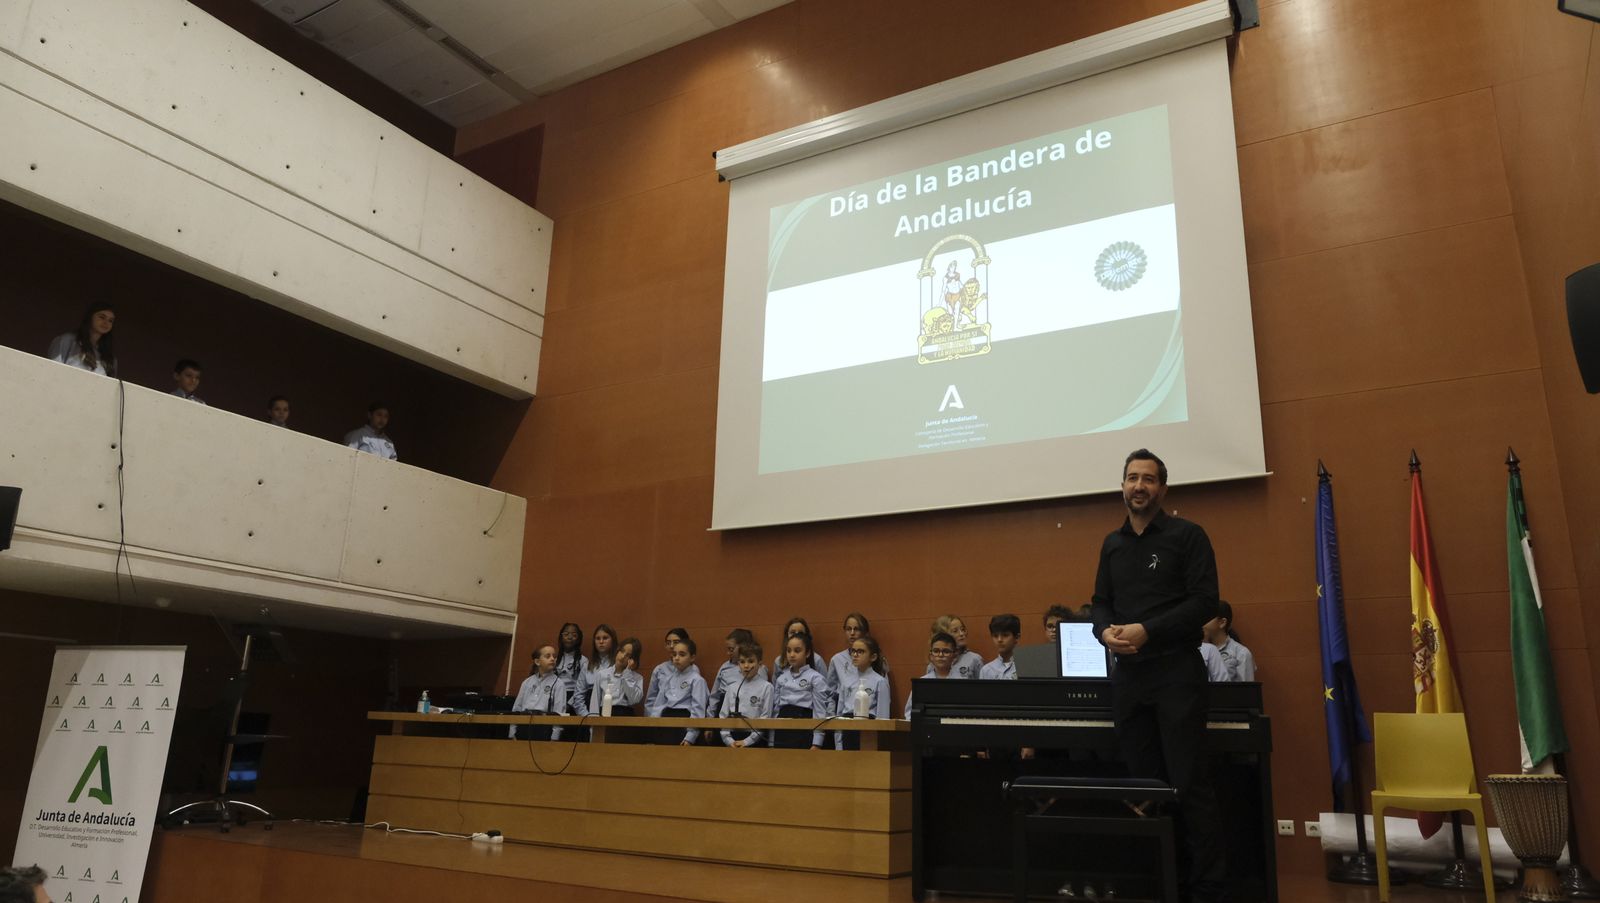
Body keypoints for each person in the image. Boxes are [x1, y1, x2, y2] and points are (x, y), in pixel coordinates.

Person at [1090, 449, 1225, 902]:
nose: (1139, 486)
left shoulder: (1188, 536)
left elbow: (1206, 601)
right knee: (1142, 783)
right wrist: (1103, 632)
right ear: (1122, 486)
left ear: (1162, 489)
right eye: (1132, 478)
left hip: (1176, 674)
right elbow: (1101, 602)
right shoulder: (1112, 543)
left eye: (1148, 479)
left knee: (1190, 783)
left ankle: (1205, 887)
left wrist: (1149, 630)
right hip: (1129, 677)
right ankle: (1157, 881)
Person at [772, 632, 833, 749]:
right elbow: (775, 710)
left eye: (797, 650)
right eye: (789, 650)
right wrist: (771, 740)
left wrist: (817, 742)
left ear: (808, 653)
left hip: (804, 726)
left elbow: (820, 711)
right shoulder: (781, 678)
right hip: (782, 728)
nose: (792, 655)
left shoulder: (816, 678)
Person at [647, 637, 707, 745]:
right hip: (666, 720)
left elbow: (698, 710)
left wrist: (690, 736)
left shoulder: (697, 680)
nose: (677, 658)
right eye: (674, 655)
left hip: (684, 721)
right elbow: (659, 704)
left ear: (692, 657)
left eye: (682, 654)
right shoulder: (669, 678)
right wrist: (653, 727)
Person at [833, 635, 890, 750]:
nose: (855, 655)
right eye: (853, 651)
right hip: (848, 727)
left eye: (860, 651)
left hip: (868, 731)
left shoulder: (880, 681)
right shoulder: (846, 680)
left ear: (873, 657)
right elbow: (839, 714)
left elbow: (883, 718)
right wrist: (838, 743)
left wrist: (879, 743)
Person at [717, 641, 773, 748]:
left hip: (755, 738)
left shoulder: (767, 687)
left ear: (760, 663)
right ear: (738, 664)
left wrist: (747, 741)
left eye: (751, 661)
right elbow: (723, 716)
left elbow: (765, 718)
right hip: (732, 738)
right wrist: (728, 740)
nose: (746, 666)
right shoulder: (732, 687)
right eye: (742, 662)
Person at [709, 628, 766, 722]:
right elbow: (714, 695)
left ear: (743, 647)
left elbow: (760, 692)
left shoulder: (758, 668)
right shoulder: (725, 667)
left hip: (749, 707)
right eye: (742, 662)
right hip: (724, 708)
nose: (728, 653)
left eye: (731, 649)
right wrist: (710, 718)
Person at [510, 644, 567, 741]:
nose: (552, 659)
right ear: (537, 661)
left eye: (554, 656)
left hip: (544, 728)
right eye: (548, 656)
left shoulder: (558, 684)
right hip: (524, 725)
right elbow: (517, 707)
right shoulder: (527, 682)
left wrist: (555, 737)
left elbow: (559, 712)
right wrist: (512, 732)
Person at [46, 304, 116, 377]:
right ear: (90, 317)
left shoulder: (110, 358)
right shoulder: (67, 341)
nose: (106, 323)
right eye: (102, 317)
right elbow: (53, 372)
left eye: (110, 321)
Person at [904, 631, 960, 718]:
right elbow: (909, 713)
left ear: (954, 655)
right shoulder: (922, 683)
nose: (940, 655)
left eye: (946, 651)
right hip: (926, 729)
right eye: (936, 651)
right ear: (931, 655)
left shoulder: (961, 681)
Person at [588, 632, 644, 715]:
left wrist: (627, 674)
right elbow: (595, 702)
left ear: (633, 659)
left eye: (628, 655)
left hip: (626, 715)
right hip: (604, 713)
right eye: (622, 651)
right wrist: (593, 723)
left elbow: (634, 700)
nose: (622, 657)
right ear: (617, 651)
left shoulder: (637, 678)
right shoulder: (601, 674)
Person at [1204, 600, 1256, 682]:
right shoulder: (1200, 650)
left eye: (1207, 618)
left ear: (1222, 622)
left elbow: (1246, 691)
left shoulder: (1241, 653)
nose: (1202, 623)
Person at [643, 627, 690, 714]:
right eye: (668, 643)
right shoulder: (659, 669)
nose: (672, 646)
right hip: (659, 717)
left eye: (676, 642)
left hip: (683, 716)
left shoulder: (692, 671)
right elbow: (651, 699)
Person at [554, 622, 589, 716]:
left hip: (573, 699)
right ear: (561, 638)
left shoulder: (583, 660)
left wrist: (569, 703)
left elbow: (583, 687)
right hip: (556, 697)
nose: (569, 637)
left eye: (574, 635)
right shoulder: (555, 660)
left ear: (579, 639)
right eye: (566, 634)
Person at [981, 614, 1021, 679]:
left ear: (1016, 637)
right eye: (995, 636)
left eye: (1005, 635)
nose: (999, 640)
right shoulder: (986, 670)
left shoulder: (1026, 667)